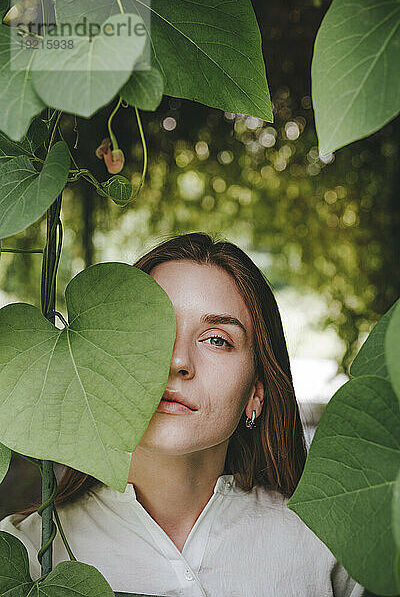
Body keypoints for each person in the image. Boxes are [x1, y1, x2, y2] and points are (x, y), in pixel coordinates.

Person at [0, 232, 365, 596]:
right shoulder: (31, 551)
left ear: (256, 394)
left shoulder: (329, 546)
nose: (178, 361)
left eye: (217, 339)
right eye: (154, 330)